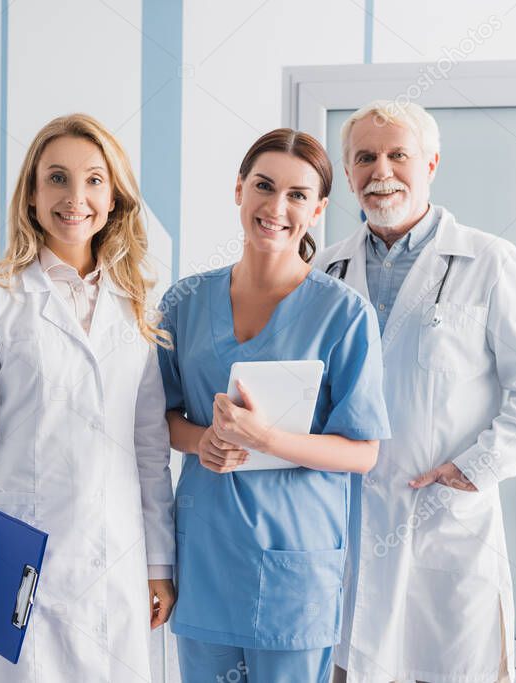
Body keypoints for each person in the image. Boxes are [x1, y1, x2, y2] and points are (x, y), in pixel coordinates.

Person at [314, 100, 516, 683]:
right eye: (364, 157)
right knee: (352, 667)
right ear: (349, 171)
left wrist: (479, 464)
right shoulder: (326, 271)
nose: (381, 170)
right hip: (349, 520)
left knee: (454, 664)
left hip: (446, 521)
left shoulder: (488, 261)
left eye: (398, 154)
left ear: (431, 162)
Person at [0, 113, 176, 682]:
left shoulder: (136, 302)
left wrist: (158, 563)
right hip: (21, 555)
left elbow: (149, 447)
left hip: (114, 555)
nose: (76, 197)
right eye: (58, 178)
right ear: (33, 194)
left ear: (114, 196)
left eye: (94, 180)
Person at [158, 128, 391, 683]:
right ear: (239, 189)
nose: (276, 207)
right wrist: (203, 442)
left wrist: (266, 440)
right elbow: (162, 418)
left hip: (294, 566)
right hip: (208, 554)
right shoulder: (184, 303)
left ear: (318, 209)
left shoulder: (345, 314)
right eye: (263, 186)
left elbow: (363, 452)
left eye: (297, 195)